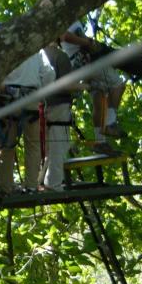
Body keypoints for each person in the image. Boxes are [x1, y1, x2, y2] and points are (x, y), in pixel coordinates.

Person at [0, 40, 56, 194]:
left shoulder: (3, 48)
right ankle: (31, 186)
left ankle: (5, 187)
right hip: (31, 98)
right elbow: (49, 73)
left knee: (5, 146)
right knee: (33, 144)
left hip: (7, 98)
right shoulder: (36, 49)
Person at [61, 21, 126, 155]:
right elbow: (65, 35)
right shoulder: (67, 18)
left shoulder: (73, 19)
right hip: (86, 61)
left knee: (98, 95)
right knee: (118, 85)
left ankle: (100, 142)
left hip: (81, 63)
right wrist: (88, 43)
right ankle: (109, 123)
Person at [41, 38, 91, 191]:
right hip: (59, 106)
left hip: (42, 106)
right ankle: (53, 183)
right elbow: (67, 85)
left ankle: (41, 180)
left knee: (46, 148)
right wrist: (86, 86)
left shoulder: (38, 55)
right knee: (59, 145)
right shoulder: (60, 56)